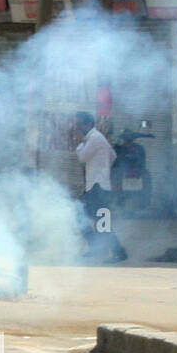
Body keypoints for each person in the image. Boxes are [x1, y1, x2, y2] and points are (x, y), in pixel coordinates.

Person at [73, 111, 127, 263]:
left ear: (89, 124)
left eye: (79, 124)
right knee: (85, 216)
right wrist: (103, 168)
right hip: (97, 186)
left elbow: (82, 157)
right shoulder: (97, 138)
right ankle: (98, 247)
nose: (77, 128)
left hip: (98, 187)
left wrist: (79, 144)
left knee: (100, 221)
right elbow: (112, 155)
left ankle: (118, 252)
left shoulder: (95, 138)